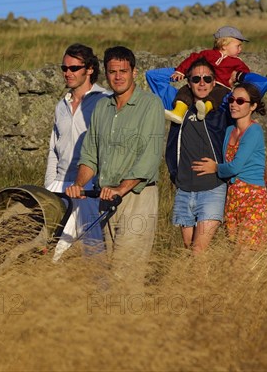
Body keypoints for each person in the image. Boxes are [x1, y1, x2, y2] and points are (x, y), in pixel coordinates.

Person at [65, 46, 164, 291]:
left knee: (126, 272)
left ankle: (131, 326)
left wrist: (121, 188)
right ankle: (115, 326)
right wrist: (78, 184)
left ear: (134, 72)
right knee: (108, 271)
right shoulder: (102, 108)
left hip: (137, 196)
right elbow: (90, 155)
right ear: (106, 75)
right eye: (112, 72)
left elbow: (149, 157)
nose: (118, 77)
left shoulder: (150, 105)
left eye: (123, 71)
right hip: (106, 198)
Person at [44, 43, 111, 262]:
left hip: (89, 187)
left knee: (92, 249)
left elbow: (108, 146)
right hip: (59, 185)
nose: (67, 73)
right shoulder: (61, 105)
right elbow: (54, 147)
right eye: (64, 68)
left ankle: (100, 293)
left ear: (89, 69)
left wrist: (94, 184)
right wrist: (49, 185)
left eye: (73, 68)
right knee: (51, 248)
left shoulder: (105, 101)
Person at [192, 82, 267, 248]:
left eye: (240, 101)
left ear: (253, 106)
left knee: (244, 256)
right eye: (232, 100)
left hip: (252, 198)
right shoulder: (229, 130)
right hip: (233, 198)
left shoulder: (254, 130)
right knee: (233, 251)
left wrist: (215, 168)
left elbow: (235, 167)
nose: (234, 104)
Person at [165, 58, 230, 254]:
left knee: (198, 251)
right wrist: (174, 174)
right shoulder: (180, 108)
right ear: (188, 82)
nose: (201, 83)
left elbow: (259, 86)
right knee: (188, 250)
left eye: (207, 78)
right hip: (184, 189)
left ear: (214, 82)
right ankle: (196, 285)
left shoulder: (224, 108)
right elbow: (154, 78)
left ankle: (202, 285)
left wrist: (218, 168)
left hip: (212, 188)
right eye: (196, 79)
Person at [166, 26, 250, 124]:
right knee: (185, 90)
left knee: (218, 95)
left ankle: (205, 109)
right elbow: (193, 59)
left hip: (222, 86)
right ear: (224, 45)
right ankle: (178, 112)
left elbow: (245, 74)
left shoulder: (237, 62)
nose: (240, 49)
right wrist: (180, 71)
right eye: (238, 46)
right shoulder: (209, 54)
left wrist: (236, 79)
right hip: (204, 82)